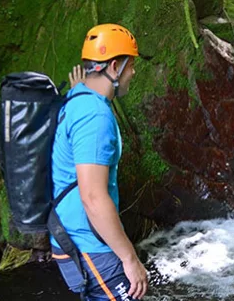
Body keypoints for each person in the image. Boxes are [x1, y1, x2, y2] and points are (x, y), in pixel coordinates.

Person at [51, 23, 148, 301]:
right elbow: (93, 197)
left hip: (74, 238)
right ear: (115, 67)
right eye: (131, 65)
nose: (134, 72)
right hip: (88, 243)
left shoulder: (78, 98)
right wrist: (130, 259)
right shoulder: (94, 116)